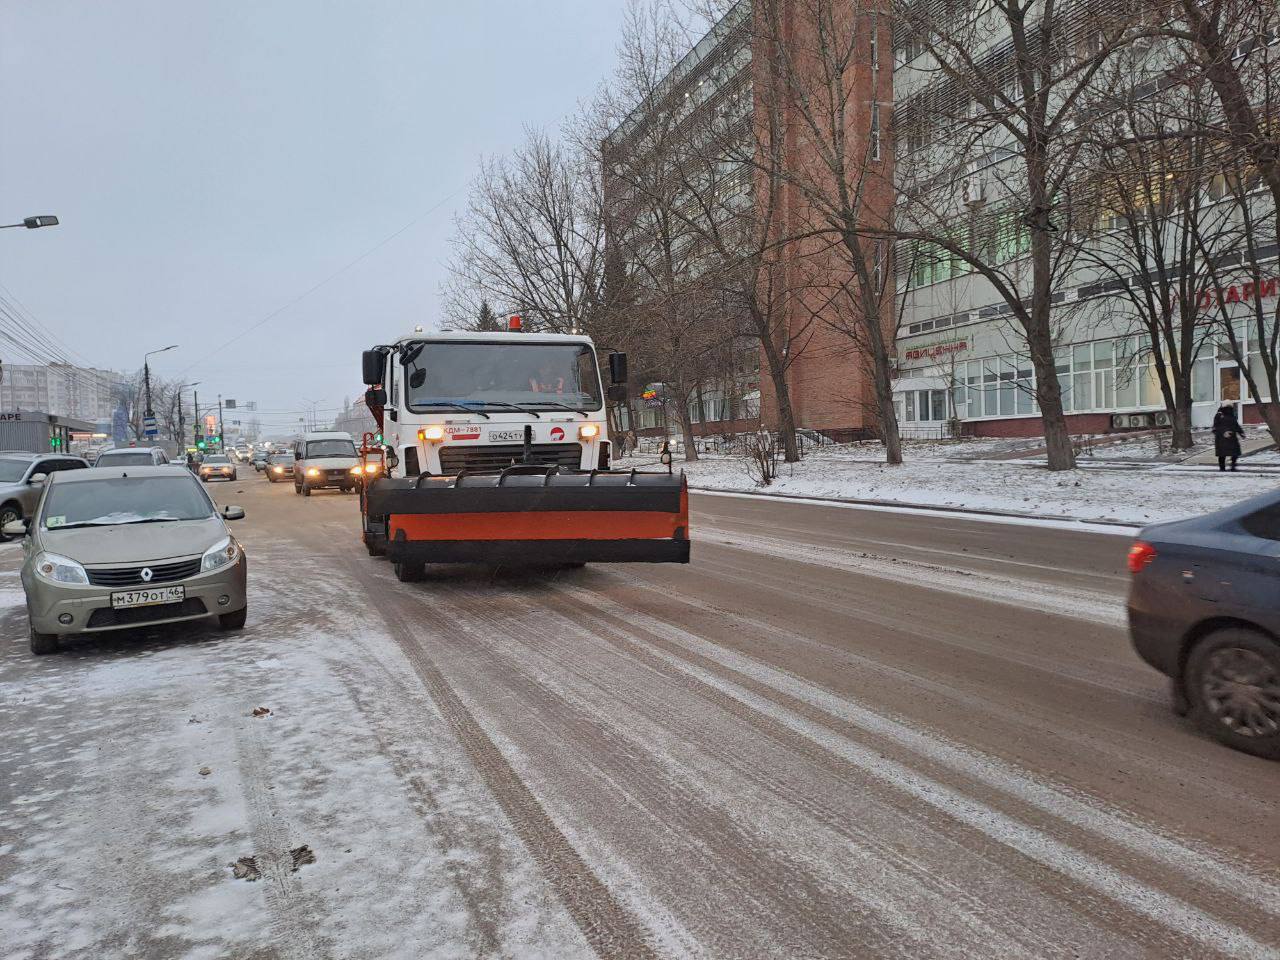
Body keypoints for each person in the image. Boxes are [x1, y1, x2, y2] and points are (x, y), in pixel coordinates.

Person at [1213, 403, 1243, 472]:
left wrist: (1241, 432)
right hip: (1221, 438)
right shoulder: (1219, 415)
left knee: (1234, 453)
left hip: (1231, 437)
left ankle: (1232, 467)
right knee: (1223, 454)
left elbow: (1236, 425)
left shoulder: (1232, 415)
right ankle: (1223, 468)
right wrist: (1224, 432)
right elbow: (1216, 426)